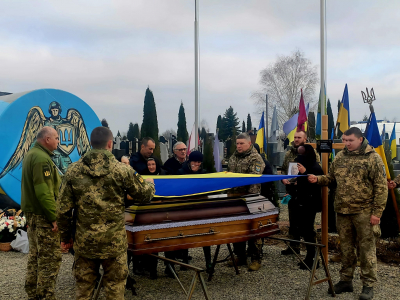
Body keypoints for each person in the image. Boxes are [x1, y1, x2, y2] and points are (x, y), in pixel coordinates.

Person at [57, 126, 155, 299]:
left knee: (83, 290)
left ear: (91, 144)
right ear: (110, 144)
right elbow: (144, 195)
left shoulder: (73, 170)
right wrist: (150, 183)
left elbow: (63, 209)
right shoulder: (122, 170)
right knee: (115, 288)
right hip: (114, 244)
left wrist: (65, 238)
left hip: (85, 242)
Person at [308, 127, 387, 300]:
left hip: (364, 212)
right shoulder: (341, 157)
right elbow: (331, 178)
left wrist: (377, 213)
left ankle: (368, 285)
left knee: (366, 250)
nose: (346, 143)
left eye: (350, 140)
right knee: (346, 248)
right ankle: (346, 280)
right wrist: (318, 179)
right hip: (343, 211)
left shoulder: (373, 158)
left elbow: (381, 188)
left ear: (360, 139)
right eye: (344, 140)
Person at [22, 126, 62, 300]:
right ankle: (46, 295)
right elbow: (43, 192)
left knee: (36, 255)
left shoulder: (33, 154)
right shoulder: (41, 159)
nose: (58, 141)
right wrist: (54, 217)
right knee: (49, 259)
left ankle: (33, 292)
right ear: (47, 139)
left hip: (33, 214)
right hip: (43, 216)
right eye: (57, 138)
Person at [227, 133, 265, 271]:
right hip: (234, 199)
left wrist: (249, 200)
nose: (238, 146)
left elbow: (254, 179)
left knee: (253, 230)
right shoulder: (233, 157)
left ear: (249, 143)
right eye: (237, 143)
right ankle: (240, 256)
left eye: (241, 143)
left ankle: (256, 258)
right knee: (237, 229)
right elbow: (228, 175)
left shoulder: (256, 158)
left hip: (250, 199)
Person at [280, 130, 320, 255]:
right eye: (295, 137)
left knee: (307, 225)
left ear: (305, 139)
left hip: (306, 194)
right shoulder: (288, 154)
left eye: (299, 137)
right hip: (292, 192)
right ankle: (293, 246)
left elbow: (315, 173)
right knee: (293, 221)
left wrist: (303, 177)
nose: (296, 139)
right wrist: (283, 178)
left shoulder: (311, 153)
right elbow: (283, 169)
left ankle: (310, 252)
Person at [178, 151, 212, 273]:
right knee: (186, 234)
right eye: (194, 161)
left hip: (201, 207)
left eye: (198, 162)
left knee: (205, 234)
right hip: (186, 207)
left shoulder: (204, 174)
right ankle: (185, 260)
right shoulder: (181, 173)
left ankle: (208, 261)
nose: (196, 164)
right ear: (189, 161)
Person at [290, 144, 323, 270]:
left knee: (309, 231)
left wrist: (306, 173)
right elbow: (301, 183)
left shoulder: (315, 167)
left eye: (302, 154)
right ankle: (309, 256)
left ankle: (313, 258)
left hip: (310, 204)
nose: (300, 158)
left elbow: (315, 184)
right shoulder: (304, 166)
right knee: (304, 230)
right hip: (301, 202)